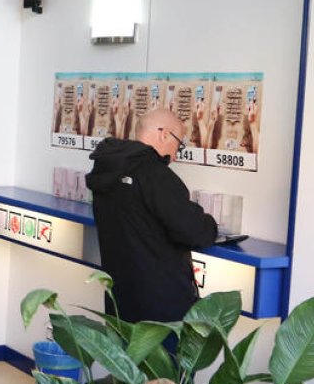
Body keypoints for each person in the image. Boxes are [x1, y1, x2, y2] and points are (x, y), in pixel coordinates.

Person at [86, 107, 218, 322]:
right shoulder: (155, 175)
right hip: (160, 307)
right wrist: (210, 223)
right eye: (179, 144)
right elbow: (195, 232)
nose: (176, 154)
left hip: (119, 299)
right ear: (164, 134)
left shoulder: (106, 167)